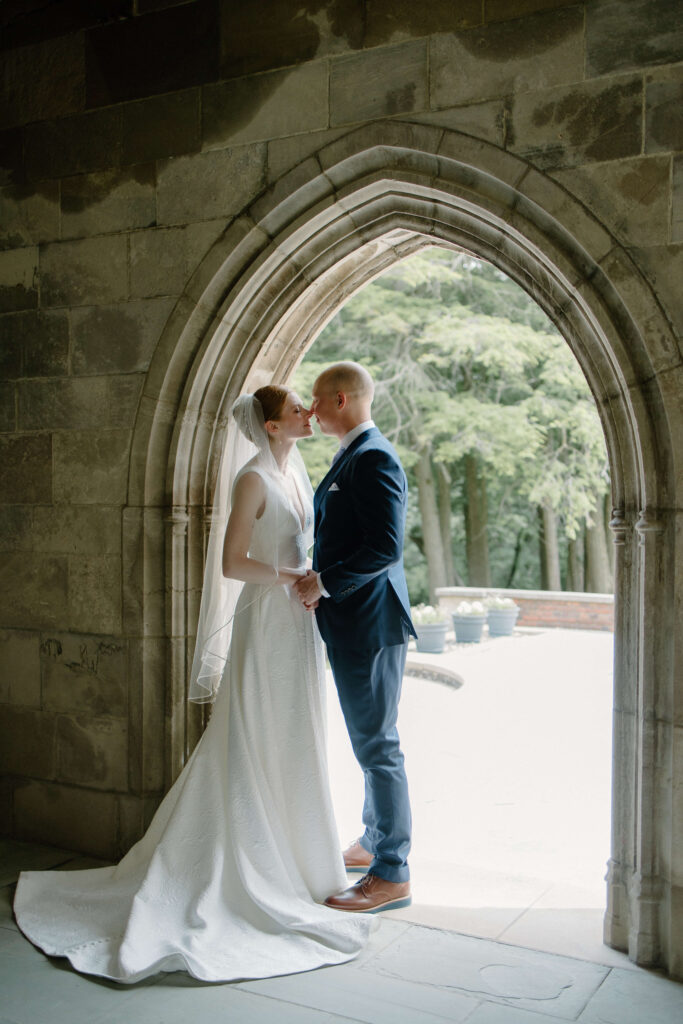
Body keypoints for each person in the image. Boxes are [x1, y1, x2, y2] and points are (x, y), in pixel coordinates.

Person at [13, 385, 375, 984]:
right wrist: (291, 575)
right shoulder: (254, 477)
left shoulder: (293, 469)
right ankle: (244, 867)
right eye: (295, 411)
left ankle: (301, 861)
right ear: (271, 426)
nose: (308, 414)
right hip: (268, 619)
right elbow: (233, 563)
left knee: (295, 733)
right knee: (257, 731)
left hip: (298, 622)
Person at [293, 362, 417, 913]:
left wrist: (326, 581)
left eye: (316, 403)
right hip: (355, 621)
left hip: (370, 623)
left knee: (377, 746)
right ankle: (371, 844)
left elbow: (385, 548)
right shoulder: (352, 455)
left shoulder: (374, 458)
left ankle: (392, 873)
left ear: (340, 400)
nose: (311, 413)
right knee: (372, 742)